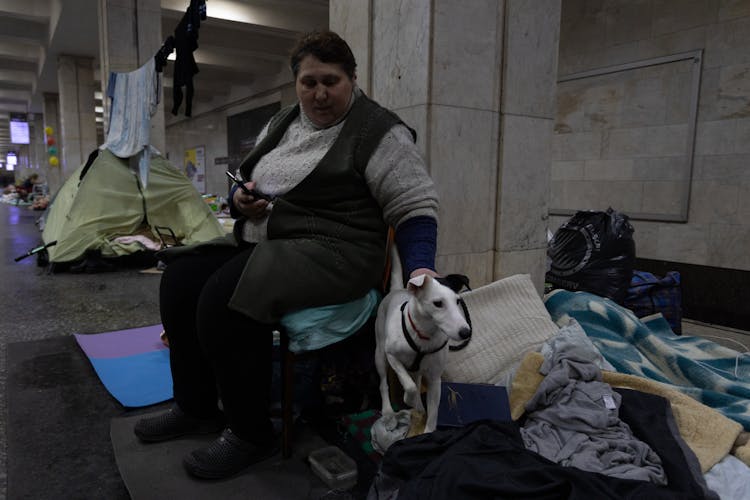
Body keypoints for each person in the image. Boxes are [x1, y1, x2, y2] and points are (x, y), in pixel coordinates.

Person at [134, 30, 440, 480]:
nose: (319, 94)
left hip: (339, 251)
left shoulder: (379, 132)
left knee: (225, 298)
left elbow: (415, 208)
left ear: (352, 79)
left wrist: (421, 272)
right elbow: (245, 179)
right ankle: (195, 405)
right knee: (179, 280)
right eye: (309, 82)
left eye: (331, 81)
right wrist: (242, 200)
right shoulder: (283, 122)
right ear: (296, 83)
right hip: (274, 238)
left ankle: (250, 432)